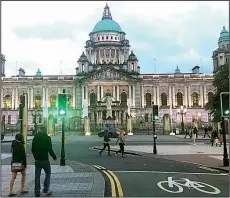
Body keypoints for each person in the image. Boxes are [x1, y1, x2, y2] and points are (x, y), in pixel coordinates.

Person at [31, 129, 57, 197]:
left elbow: (32, 148)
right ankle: (45, 189)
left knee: (37, 176)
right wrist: (54, 157)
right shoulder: (47, 138)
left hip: (37, 160)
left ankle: (37, 192)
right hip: (45, 159)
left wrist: (35, 157)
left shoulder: (35, 137)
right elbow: (50, 149)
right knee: (48, 173)